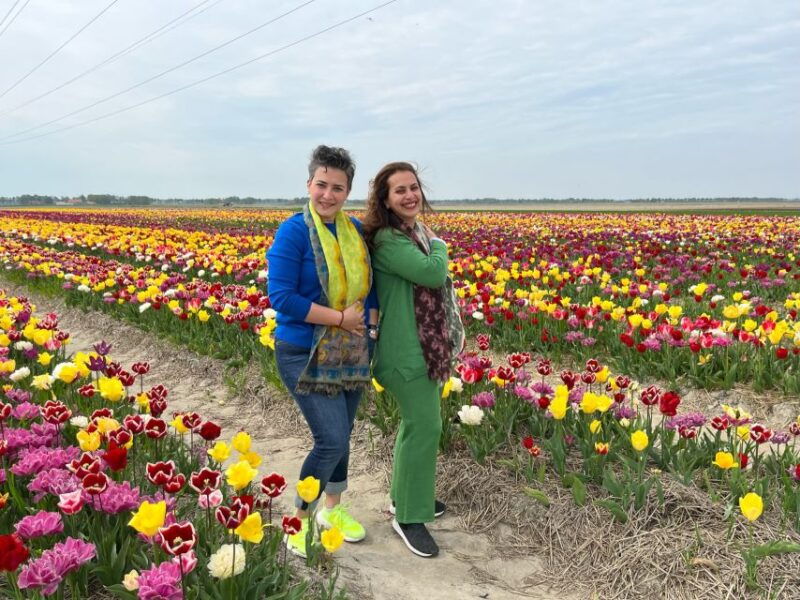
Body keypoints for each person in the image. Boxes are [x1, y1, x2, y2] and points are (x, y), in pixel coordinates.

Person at [267, 145, 379, 558]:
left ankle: (332, 510)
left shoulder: (353, 233)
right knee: (330, 439)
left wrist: (371, 327)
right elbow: (281, 296)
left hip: (352, 348)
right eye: (321, 185)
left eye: (338, 187)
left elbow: (372, 287)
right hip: (301, 348)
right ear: (309, 184)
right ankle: (298, 520)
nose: (328, 195)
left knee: (343, 435)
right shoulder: (294, 231)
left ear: (347, 191)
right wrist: (339, 319)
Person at [363, 162, 464, 558]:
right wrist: (440, 245)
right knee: (425, 427)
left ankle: (405, 498)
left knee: (414, 427)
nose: (409, 195)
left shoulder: (412, 233)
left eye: (413, 187)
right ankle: (409, 517)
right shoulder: (390, 240)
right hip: (406, 354)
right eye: (399, 190)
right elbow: (431, 273)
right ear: (385, 200)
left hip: (427, 348)